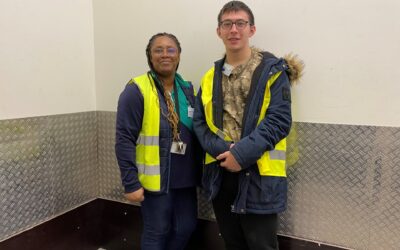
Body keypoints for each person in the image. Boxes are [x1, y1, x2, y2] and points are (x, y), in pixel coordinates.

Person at [193, 1, 304, 249]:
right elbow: (199, 122)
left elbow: (279, 120)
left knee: (261, 245)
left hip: (259, 175)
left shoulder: (272, 71)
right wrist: (222, 149)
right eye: (227, 24)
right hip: (220, 173)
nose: (234, 29)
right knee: (233, 243)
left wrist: (240, 154)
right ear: (219, 31)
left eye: (240, 23)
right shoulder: (210, 76)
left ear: (251, 30)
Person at [115, 32, 201, 250]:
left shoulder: (188, 90)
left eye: (170, 49)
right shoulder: (136, 90)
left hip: (185, 180)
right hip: (156, 181)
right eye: (158, 50)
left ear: (179, 55)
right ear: (150, 57)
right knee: (157, 231)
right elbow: (124, 138)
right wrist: (130, 182)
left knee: (186, 227)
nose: (165, 54)